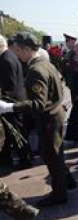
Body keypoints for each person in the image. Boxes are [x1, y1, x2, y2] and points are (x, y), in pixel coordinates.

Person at [0, 32, 76, 207]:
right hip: (54, 113)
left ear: (26, 49)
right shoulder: (46, 64)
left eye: (18, 50)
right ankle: (67, 181)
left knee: (52, 156)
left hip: (48, 117)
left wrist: (9, 107)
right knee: (52, 151)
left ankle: (59, 194)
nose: (16, 54)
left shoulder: (36, 70)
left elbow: (38, 104)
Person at [0, 35, 32, 169]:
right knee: (13, 132)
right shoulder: (10, 56)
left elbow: (11, 85)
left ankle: (25, 160)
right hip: (15, 101)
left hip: (11, 102)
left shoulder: (6, 59)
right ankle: (9, 158)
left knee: (17, 132)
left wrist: (2, 98)